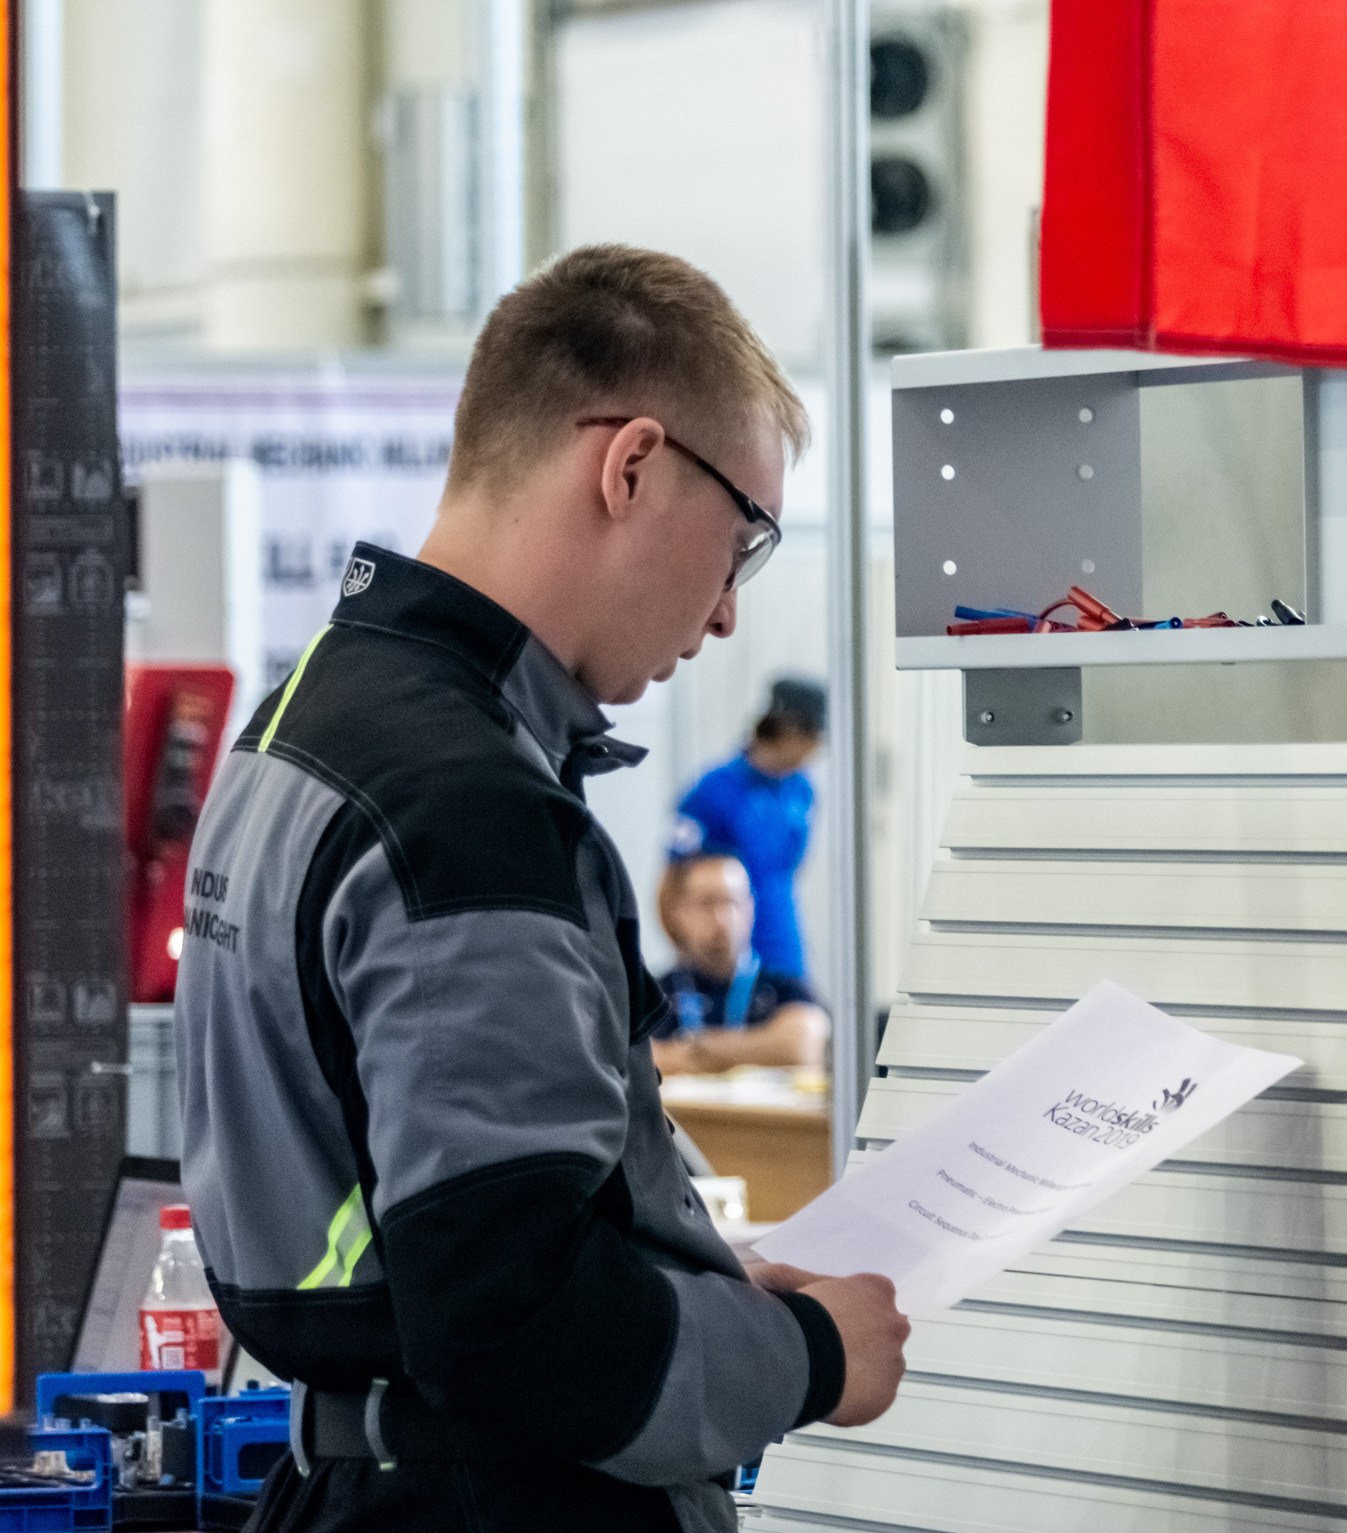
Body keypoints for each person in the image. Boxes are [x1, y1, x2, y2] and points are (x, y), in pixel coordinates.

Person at [172, 245, 907, 1533]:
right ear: (628, 466)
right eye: (741, 540)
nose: (728, 612)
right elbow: (515, 1321)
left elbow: (439, 1221)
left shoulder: (302, 723)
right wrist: (809, 1355)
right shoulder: (469, 809)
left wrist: (681, 1271)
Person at [673, 677, 823, 983]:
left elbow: (788, 871)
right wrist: (688, 949)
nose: (816, 751)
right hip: (724, 948)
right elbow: (674, 880)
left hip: (783, 942)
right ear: (791, 731)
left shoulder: (801, 790)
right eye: (814, 738)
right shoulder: (712, 790)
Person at [654, 850, 827, 1074]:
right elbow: (644, 1062)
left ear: (751, 907)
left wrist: (696, 1047)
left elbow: (800, 1047)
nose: (722, 918)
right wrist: (760, 1050)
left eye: (733, 901)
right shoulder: (653, 993)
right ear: (679, 913)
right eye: (707, 903)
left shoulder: (784, 987)